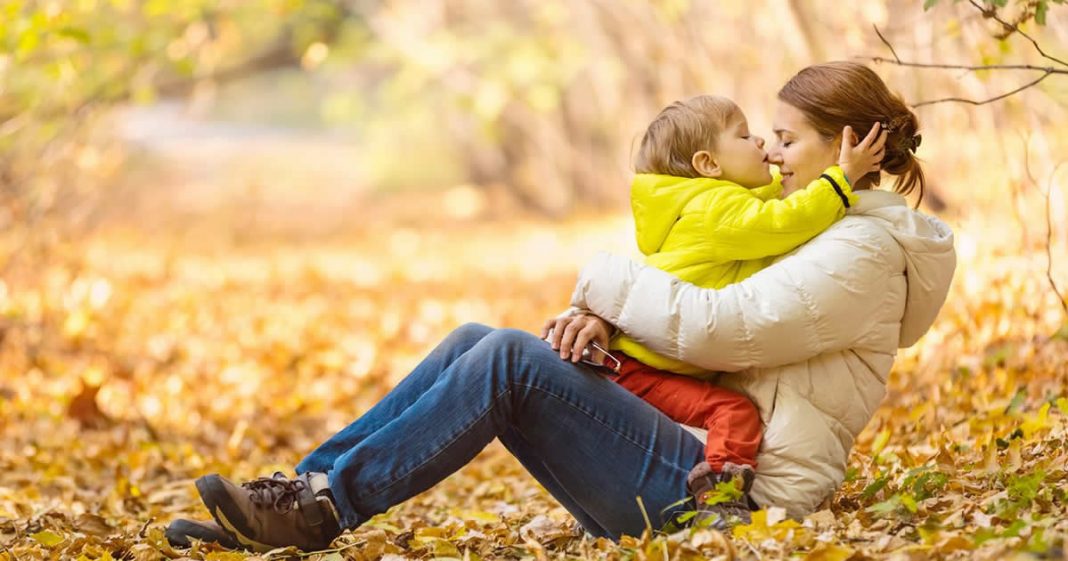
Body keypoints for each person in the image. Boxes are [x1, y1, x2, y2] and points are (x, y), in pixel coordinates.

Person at [166, 61, 955, 552]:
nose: (774, 153)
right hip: (689, 440)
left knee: (512, 357)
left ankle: (322, 509)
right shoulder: (815, 225)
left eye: (786, 137)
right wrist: (609, 324)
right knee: (478, 337)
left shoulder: (862, 251)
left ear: (848, 145)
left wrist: (603, 291)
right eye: (768, 137)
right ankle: (303, 493)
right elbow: (710, 293)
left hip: (725, 492)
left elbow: (723, 325)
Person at [596, 92, 886, 527]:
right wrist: (841, 178)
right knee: (733, 412)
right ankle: (721, 500)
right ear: (709, 165)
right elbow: (782, 221)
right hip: (641, 368)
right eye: (746, 136)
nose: (763, 146)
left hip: (642, 360)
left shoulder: (707, 203)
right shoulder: (716, 209)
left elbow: (772, 201)